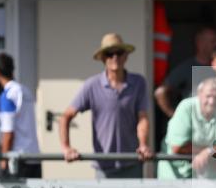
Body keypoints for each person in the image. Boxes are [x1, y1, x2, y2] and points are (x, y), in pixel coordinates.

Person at [59, 33, 153, 178]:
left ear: (126, 56)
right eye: (110, 54)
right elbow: (66, 116)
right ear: (103, 58)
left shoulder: (138, 82)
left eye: (119, 52)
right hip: (103, 166)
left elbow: (142, 118)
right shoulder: (92, 85)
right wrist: (66, 148)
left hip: (132, 163)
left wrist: (143, 144)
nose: (115, 57)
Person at [158, 79, 216, 179]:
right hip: (177, 174)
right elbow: (178, 147)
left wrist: (211, 151)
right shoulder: (186, 107)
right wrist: (214, 153)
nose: (211, 101)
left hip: (210, 176)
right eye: (208, 96)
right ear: (199, 95)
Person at [0, 52, 41, 179]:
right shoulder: (25, 90)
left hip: (17, 160)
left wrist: (3, 162)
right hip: (34, 157)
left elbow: (8, 134)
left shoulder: (7, 95)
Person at [155, 26, 216, 118]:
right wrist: (175, 116)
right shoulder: (186, 67)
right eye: (213, 41)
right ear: (200, 43)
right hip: (195, 122)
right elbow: (160, 92)